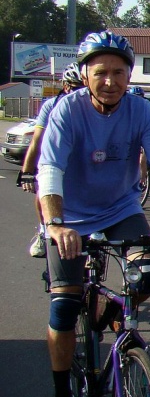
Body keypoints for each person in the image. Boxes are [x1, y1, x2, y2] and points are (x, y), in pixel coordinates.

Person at [37, 30, 150, 397]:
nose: (110, 81)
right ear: (85, 74)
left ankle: (107, 313)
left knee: (147, 275)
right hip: (70, 215)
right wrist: (55, 225)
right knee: (64, 308)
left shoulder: (141, 112)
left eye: (119, 72)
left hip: (120, 208)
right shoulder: (66, 111)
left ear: (129, 76)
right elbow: (50, 170)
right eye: (101, 72)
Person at [19, 62, 84, 258]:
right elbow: (37, 140)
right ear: (65, 86)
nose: (79, 93)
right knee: (42, 194)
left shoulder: (93, 107)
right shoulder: (51, 106)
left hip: (82, 163)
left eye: (83, 88)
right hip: (55, 159)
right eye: (74, 88)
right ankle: (43, 231)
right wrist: (27, 172)